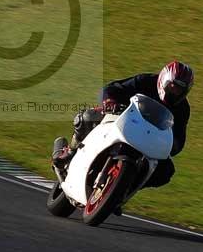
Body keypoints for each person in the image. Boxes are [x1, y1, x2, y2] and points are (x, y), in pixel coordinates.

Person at [52, 60, 194, 188]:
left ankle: (124, 189)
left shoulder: (183, 109)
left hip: (148, 140)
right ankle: (70, 151)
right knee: (88, 116)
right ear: (164, 79)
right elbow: (112, 88)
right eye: (172, 86)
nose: (174, 92)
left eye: (179, 90)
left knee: (165, 171)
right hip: (123, 120)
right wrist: (110, 101)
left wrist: (170, 145)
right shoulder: (145, 81)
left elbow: (179, 140)